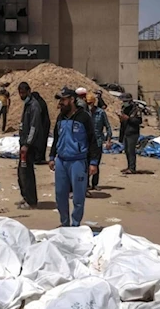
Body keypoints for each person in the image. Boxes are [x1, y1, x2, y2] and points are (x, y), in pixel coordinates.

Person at [49, 87, 100, 227]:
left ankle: (75, 224)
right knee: (60, 195)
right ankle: (64, 223)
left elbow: (92, 140)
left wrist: (94, 162)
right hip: (61, 161)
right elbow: (56, 139)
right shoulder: (60, 118)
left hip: (78, 161)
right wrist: (52, 156)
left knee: (78, 197)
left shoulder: (83, 117)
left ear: (72, 100)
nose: (60, 103)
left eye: (63, 99)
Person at [15, 82, 43, 210]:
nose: (21, 95)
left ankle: (31, 200)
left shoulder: (34, 106)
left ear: (28, 91)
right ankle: (25, 196)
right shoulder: (27, 105)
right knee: (21, 172)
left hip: (29, 146)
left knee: (27, 173)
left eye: (23, 93)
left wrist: (27, 144)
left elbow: (34, 127)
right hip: (24, 144)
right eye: (20, 93)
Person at [87, 92, 112, 190]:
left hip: (97, 141)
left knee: (95, 163)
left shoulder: (101, 113)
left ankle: (95, 183)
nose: (89, 106)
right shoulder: (84, 113)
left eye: (90, 103)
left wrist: (108, 140)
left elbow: (108, 127)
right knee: (86, 163)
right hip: (87, 141)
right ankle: (86, 184)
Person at [118, 93, 142, 174]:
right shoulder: (124, 108)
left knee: (131, 150)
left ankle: (132, 168)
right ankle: (129, 166)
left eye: (126, 101)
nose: (124, 102)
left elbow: (139, 121)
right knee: (126, 151)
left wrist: (129, 119)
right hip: (125, 131)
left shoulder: (136, 109)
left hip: (133, 132)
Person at [31, 91, 51, 163]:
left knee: (40, 141)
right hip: (43, 124)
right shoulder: (40, 102)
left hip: (43, 125)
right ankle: (40, 157)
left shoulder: (39, 104)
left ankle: (38, 158)